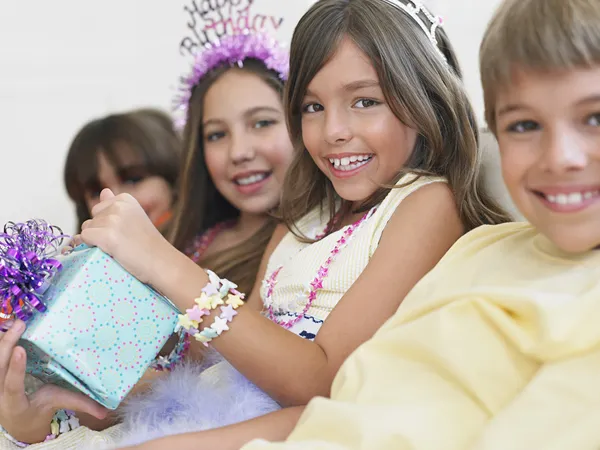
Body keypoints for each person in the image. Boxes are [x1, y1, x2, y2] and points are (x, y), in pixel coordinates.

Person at [64, 109, 181, 234]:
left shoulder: (201, 249)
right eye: (97, 192)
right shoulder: (80, 251)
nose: (116, 200)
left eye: (133, 179)